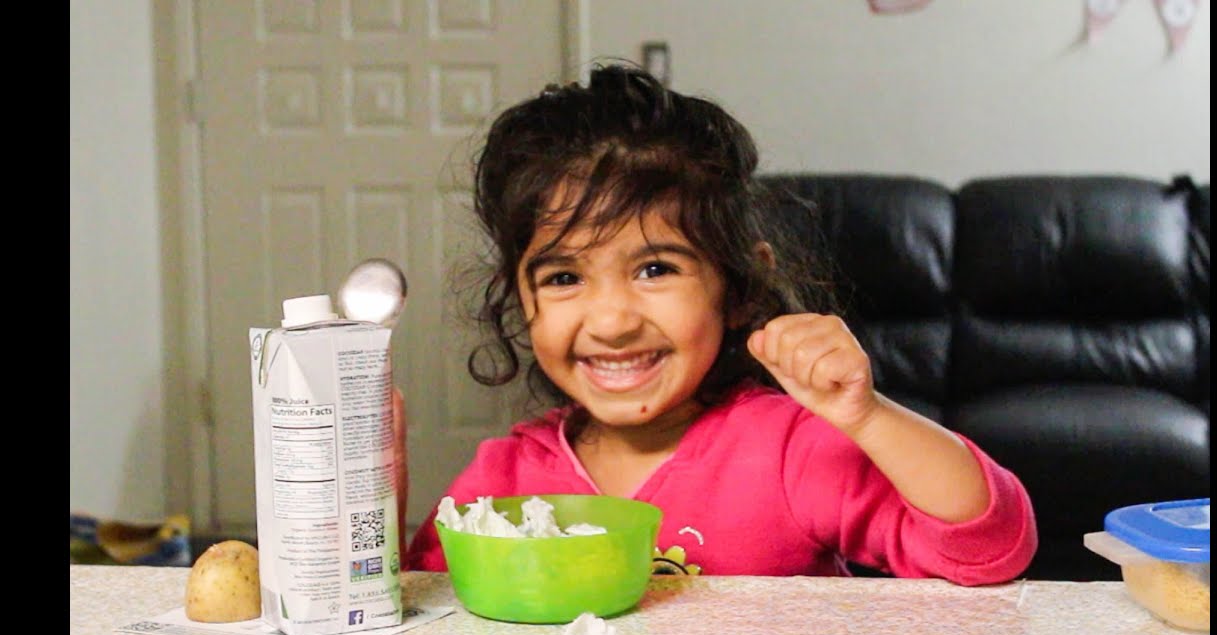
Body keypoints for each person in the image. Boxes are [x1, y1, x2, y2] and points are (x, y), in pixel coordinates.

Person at [399, 63, 1036, 585]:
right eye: (564, 278)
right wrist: (372, 485)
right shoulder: (503, 480)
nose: (613, 320)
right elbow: (423, 617)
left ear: (735, 288)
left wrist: (868, 417)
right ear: (520, 298)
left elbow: (988, 545)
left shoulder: (788, 450)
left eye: (654, 269)